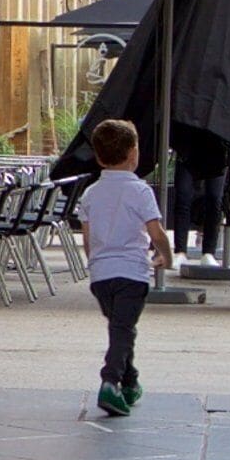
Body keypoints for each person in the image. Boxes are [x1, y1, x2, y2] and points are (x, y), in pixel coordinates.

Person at [77, 117, 164, 418]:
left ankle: (130, 381)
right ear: (133, 154)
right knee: (123, 329)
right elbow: (156, 232)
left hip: (101, 276)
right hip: (132, 273)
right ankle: (110, 382)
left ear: (99, 157)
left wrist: (95, 263)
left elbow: (88, 238)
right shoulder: (140, 191)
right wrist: (165, 255)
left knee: (120, 329)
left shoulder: (90, 193)